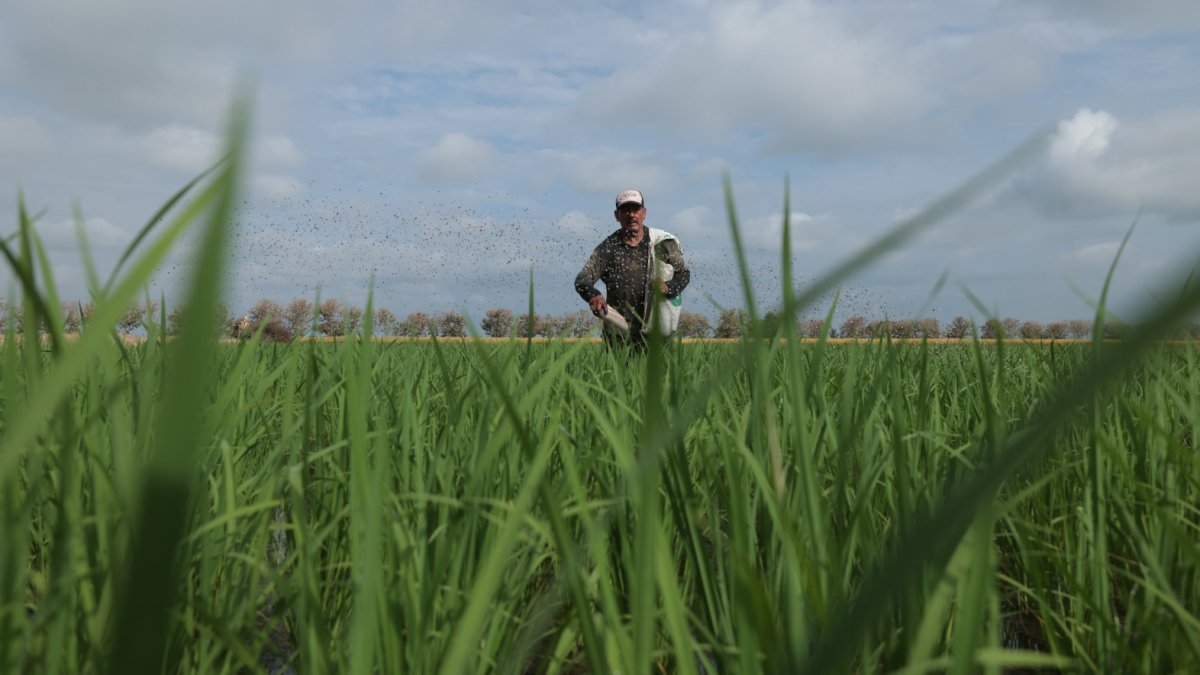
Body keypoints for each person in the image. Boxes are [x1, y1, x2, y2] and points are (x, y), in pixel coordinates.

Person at [574, 189, 691, 349]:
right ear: (617, 215)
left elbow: (683, 274)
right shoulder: (607, 249)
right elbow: (582, 280)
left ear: (644, 213)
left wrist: (668, 287)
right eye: (625, 210)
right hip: (620, 332)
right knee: (619, 374)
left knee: (659, 373)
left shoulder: (661, 243)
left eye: (635, 209)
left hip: (657, 330)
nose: (631, 215)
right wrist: (593, 295)